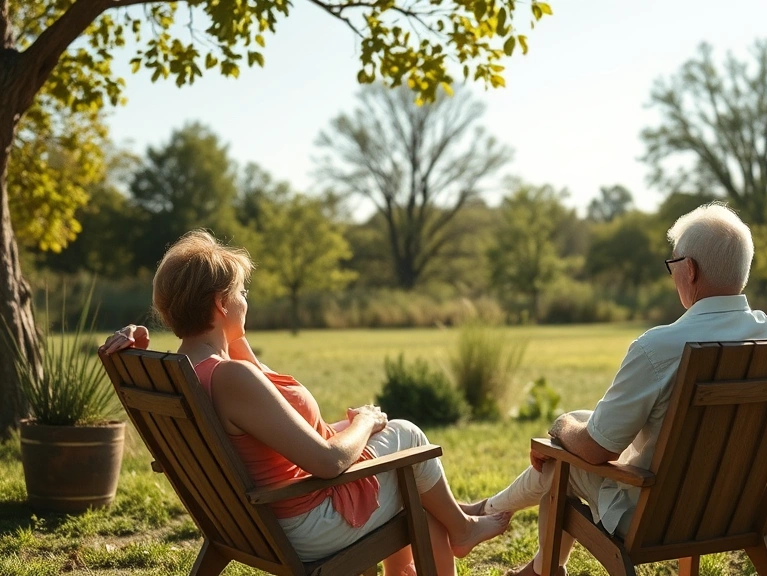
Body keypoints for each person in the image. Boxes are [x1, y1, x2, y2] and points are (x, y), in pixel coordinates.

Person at [99, 230, 510, 576]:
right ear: (221, 304)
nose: (247, 300)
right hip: (304, 526)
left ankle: (453, 526)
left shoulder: (185, 370)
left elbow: (243, 361)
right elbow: (329, 462)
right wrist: (364, 422)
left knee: (409, 469)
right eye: (241, 292)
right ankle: (459, 528)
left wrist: (208, 331)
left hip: (249, 522)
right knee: (408, 442)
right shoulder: (230, 378)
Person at [464, 203, 767, 576]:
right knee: (580, 428)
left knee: (561, 460)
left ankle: (499, 525)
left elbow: (596, 449)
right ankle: (507, 535)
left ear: (690, 270)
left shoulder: (660, 347)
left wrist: (558, 426)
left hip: (656, 517)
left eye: (673, 266)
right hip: (741, 511)